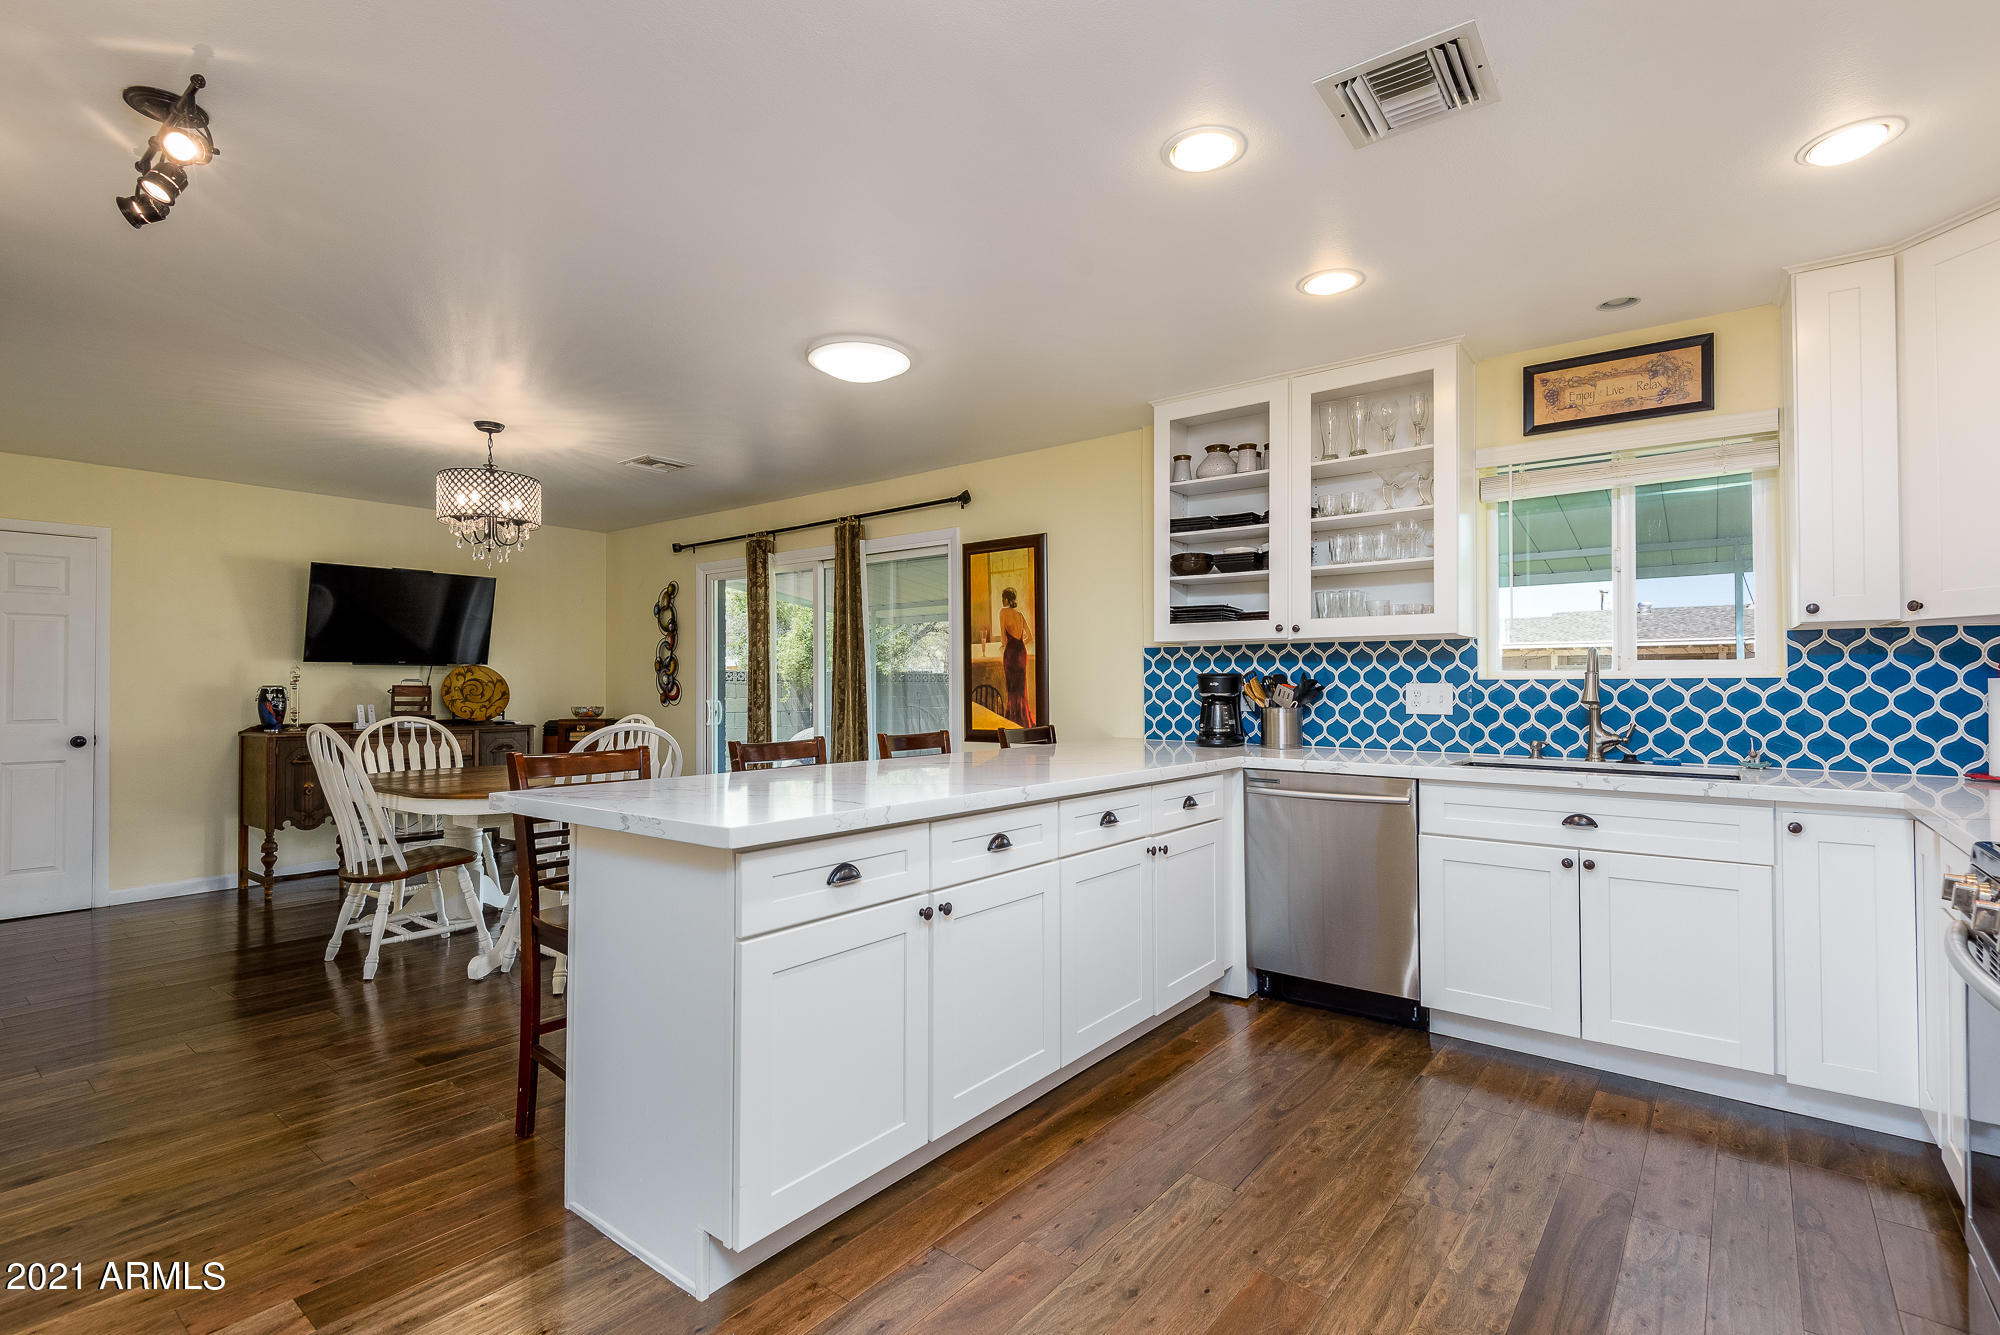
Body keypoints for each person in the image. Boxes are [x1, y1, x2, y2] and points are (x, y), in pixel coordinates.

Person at [999, 586, 1034, 725]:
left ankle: (1013, 716)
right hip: (1021, 651)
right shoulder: (1019, 614)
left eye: (1003, 598)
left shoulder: (1002, 612)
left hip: (1011, 653)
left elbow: (1003, 639)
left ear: (1006, 599)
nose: (1002, 600)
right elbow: (1030, 637)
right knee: (1021, 686)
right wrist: (1020, 644)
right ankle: (1023, 716)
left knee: (1011, 685)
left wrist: (1008, 645)